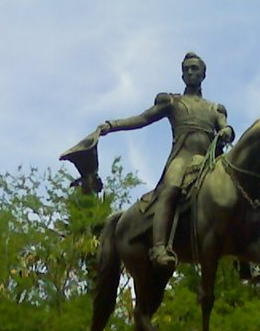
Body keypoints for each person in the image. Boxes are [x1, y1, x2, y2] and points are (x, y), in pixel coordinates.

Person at [95, 52, 234, 270]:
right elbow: (142, 119)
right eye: (186, 69)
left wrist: (227, 131)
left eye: (194, 69)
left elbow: (224, 125)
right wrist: (112, 125)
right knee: (171, 188)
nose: (190, 72)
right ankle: (159, 246)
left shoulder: (214, 108)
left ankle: (242, 256)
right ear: (182, 75)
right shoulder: (173, 102)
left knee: (235, 191)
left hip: (208, 162)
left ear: (203, 74)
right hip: (182, 157)